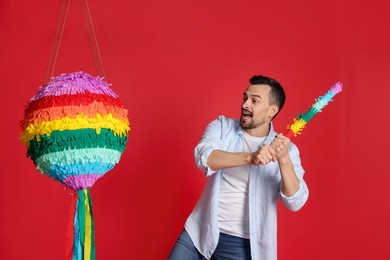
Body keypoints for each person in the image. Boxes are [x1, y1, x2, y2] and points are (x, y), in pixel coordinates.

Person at [169, 75, 309, 260]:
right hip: (199, 233)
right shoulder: (221, 126)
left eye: (254, 101)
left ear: (271, 111)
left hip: (242, 245)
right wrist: (250, 157)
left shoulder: (288, 151)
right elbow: (204, 158)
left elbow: (295, 202)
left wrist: (283, 160)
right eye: (245, 98)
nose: (245, 105)